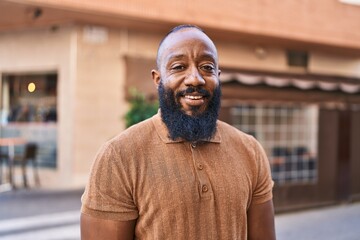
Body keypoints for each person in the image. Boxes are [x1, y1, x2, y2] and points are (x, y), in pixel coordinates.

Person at [81, 24, 276, 240]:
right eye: (178, 67)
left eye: (207, 67)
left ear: (218, 77)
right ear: (158, 79)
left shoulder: (250, 151)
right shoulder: (118, 156)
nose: (195, 79)